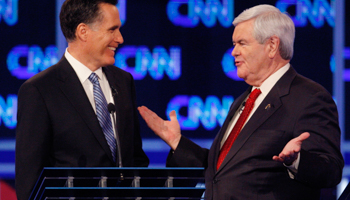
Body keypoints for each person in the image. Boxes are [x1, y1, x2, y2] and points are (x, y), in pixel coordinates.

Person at [138, 4, 344, 200]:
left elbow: (331, 169)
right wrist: (177, 142)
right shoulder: (244, 99)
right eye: (234, 44)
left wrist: (296, 161)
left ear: (272, 46)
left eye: (242, 43)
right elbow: (223, 170)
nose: (234, 51)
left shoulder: (309, 97)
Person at [15, 0, 149, 199]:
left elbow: (135, 160)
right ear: (83, 32)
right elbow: (29, 183)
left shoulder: (123, 81)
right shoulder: (40, 90)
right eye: (112, 30)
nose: (119, 39)